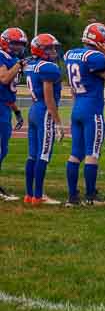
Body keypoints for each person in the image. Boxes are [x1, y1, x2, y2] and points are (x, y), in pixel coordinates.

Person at [64, 21, 105, 205]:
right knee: (92, 153)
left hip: (77, 106)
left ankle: (72, 196)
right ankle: (90, 195)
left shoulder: (70, 54)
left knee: (75, 153)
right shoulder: (95, 57)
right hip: (91, 109)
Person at [23, 33, 64, 205]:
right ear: (39, 50)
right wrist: (58, 122)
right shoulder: (48, 68)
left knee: (32, 154)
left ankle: (29, 194)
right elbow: (49, 97)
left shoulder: (31, 65)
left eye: (54, 47)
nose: (53, 51)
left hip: (34, 110)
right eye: (49, 48)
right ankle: (38, 196)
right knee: (43, 154)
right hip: (44, 111)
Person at [0, 27, 27, 200]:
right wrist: (18, 65)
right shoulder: (2, 56)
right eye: (15, 43)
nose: (18, 47)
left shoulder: (12, 58)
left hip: (4, 107)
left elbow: (6, 92)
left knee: (3, 149)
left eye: (20, 44)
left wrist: (16, 111)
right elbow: (3, 79)